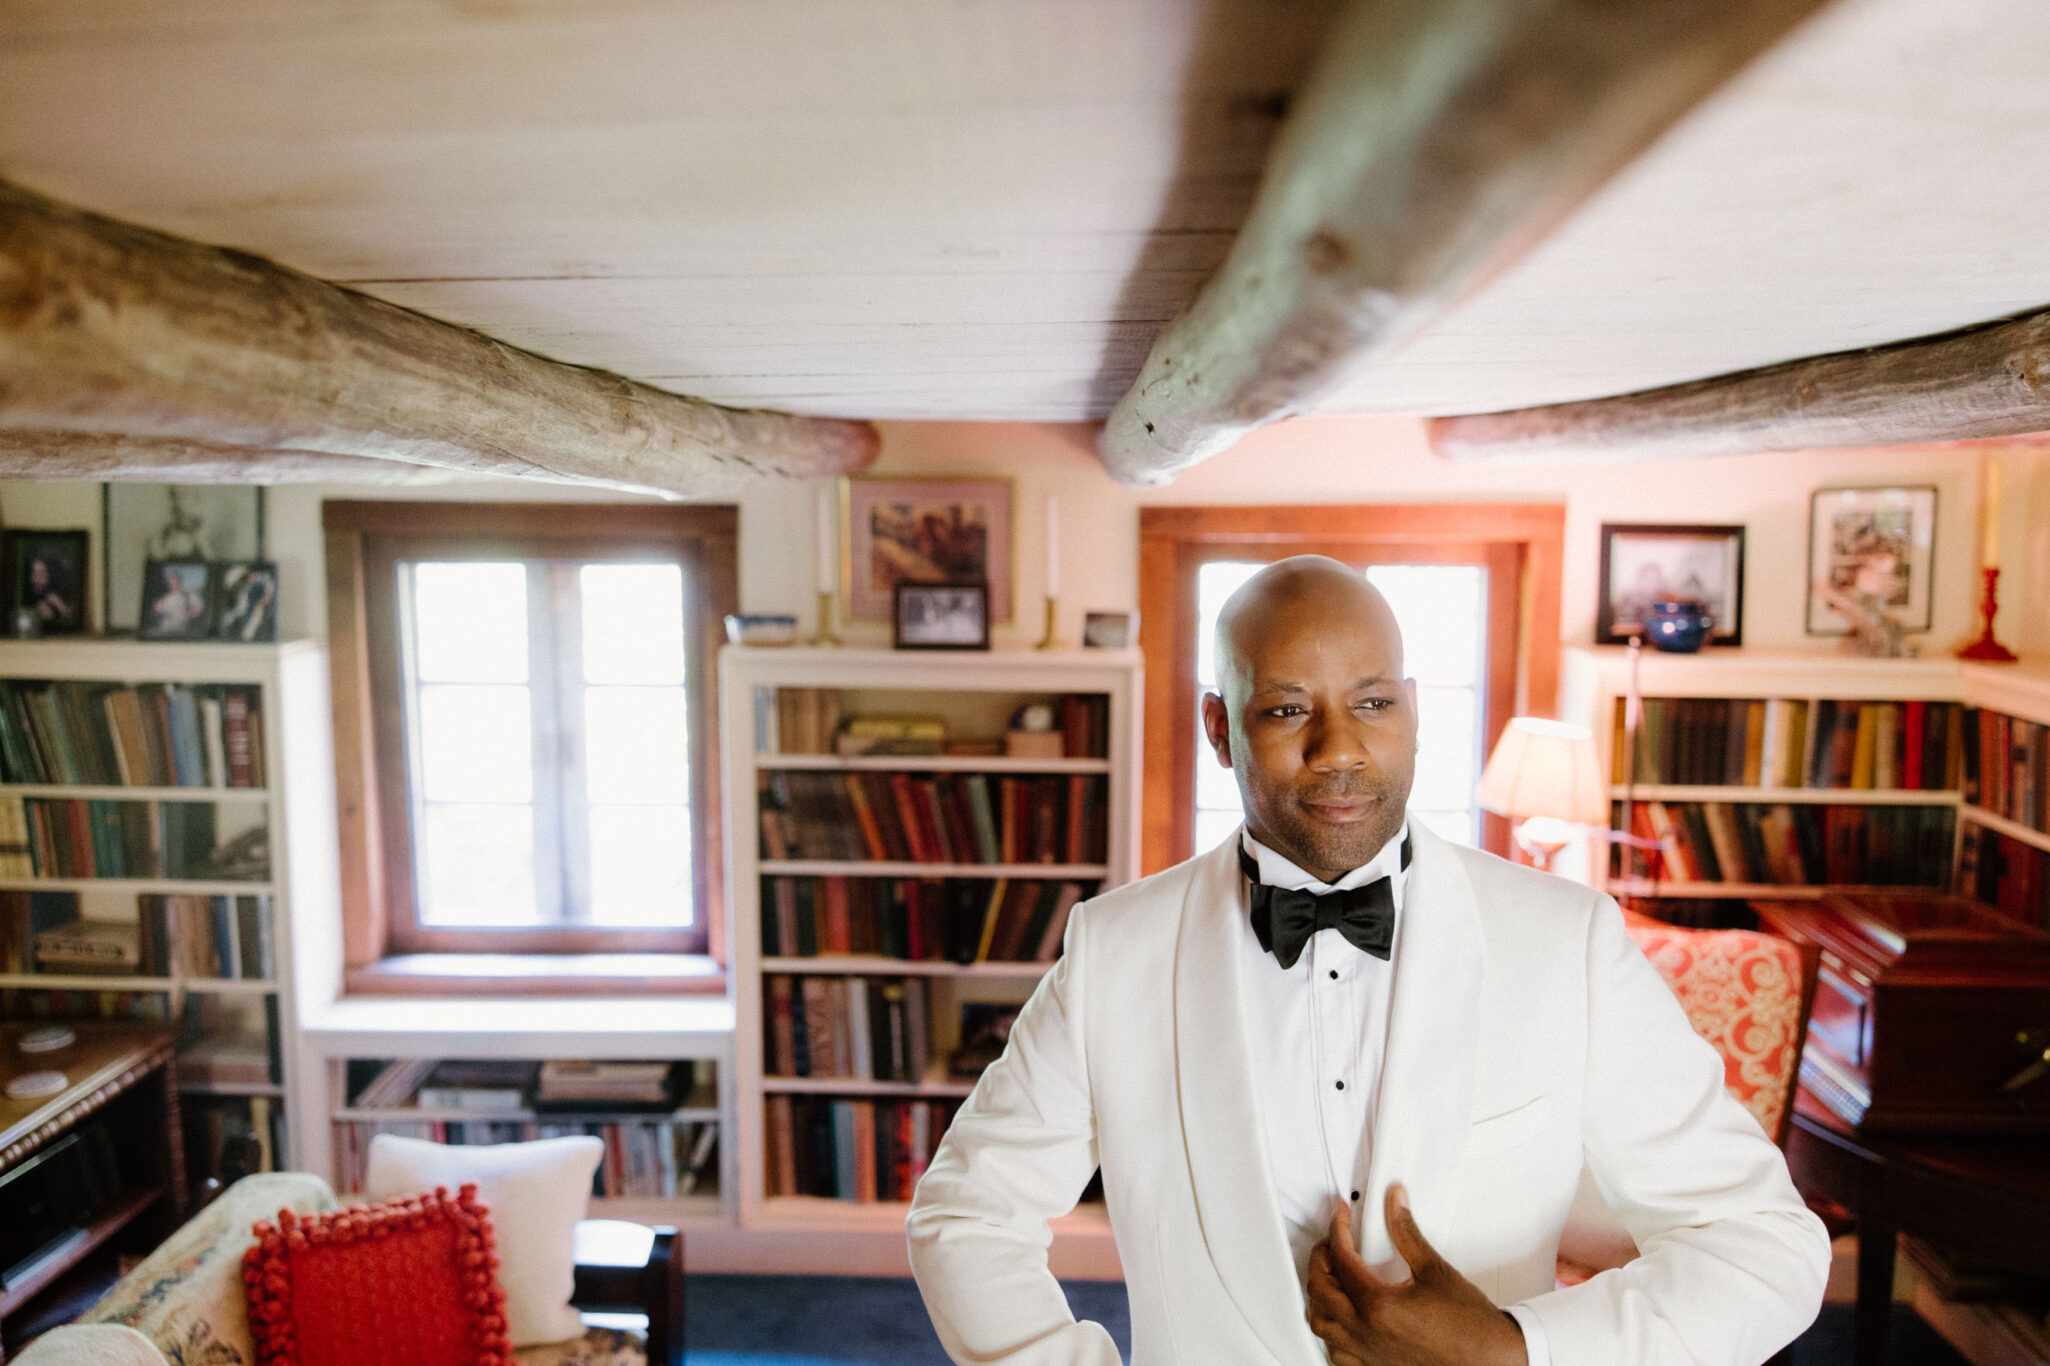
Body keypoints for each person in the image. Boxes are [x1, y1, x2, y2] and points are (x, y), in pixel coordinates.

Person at [907, 556, 1829, 1366]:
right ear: (1220, 730)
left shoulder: (1568, 941)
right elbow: (966, 1218)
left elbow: (1765, 1244)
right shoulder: (1114, 953)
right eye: (1285, 709)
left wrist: (1518, 1351)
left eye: (1373, 703)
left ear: (1414, 712)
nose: (1339, 747)